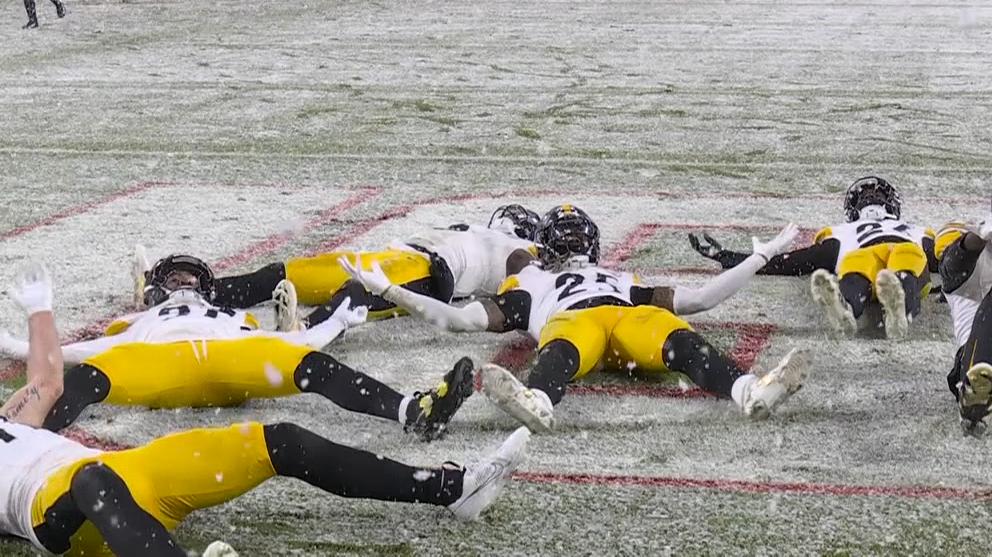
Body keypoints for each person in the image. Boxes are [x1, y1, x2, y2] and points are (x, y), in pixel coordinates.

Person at [0, 261, 530, 556]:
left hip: (128, 476)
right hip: (59, 509)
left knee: (280, 441)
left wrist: (41, 307)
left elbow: (47, 383)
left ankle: (451, 488)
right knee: (92, 479)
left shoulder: (10, 419)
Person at [341, 204, 809, 433]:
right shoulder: (537, 282)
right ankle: (538, 401)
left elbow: (460, 320)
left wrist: (763, 255)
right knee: (593, 341)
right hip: (594, 322)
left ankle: (749, 392)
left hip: (609, 321)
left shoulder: (546, 281)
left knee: (672, 337)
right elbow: (704, 298)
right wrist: (389, 291)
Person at [0, 255, 474, 441]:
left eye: (190, 278)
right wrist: (15, 343)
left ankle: (414, 412)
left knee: (315, 367)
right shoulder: (137, 319)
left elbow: (290, 344)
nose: (184, 283)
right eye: (175, 278)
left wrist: (330, 326)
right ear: (155, 289)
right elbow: (72, 355)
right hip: (150, 363)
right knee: (84, 381)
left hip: (232, 356)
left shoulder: (236, 317)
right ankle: (25, 441)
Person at [137, 205, 543, 332]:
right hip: (396, 257)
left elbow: (524, 277)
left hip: (427, 273)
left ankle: (304, 332)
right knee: (283, 273)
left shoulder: (524, 252)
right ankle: (188, 295)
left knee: (351, 295)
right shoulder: (485, 234)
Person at [689, 176, 936, 340]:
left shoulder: (916, 230)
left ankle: (897, 309)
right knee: (856, 265)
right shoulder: (840, 233)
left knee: (905, 255)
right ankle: (846, 308)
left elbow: (947, 258)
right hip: (863, 256)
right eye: (866, 195)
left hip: (906, 254)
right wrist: (730, 257)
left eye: (876, 194)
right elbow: (798, 260)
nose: (872, 198)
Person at [934, 211, 992, 435]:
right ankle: (975, 398)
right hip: (973, 364)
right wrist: (975, 238)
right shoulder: (970, 265)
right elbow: (952, 267)